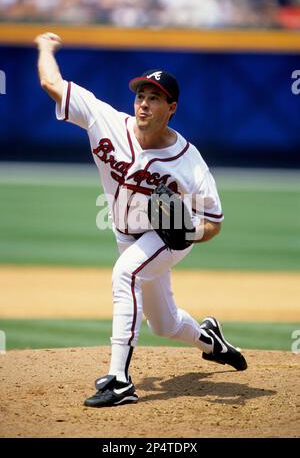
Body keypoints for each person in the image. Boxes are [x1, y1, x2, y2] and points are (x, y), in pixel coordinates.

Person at [34, 32, 247, 408]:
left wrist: (189, 230)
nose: (144, 104)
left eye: (155, 98)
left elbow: (214, 222)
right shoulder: (107, 121)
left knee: (125, 274)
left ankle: (119, 380)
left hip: (166, 237)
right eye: (141, 96)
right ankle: (212, 340)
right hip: (125, 233)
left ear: (172, 108)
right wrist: (45, 48)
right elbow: (51, 83)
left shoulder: (188, 161)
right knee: (163, 324)